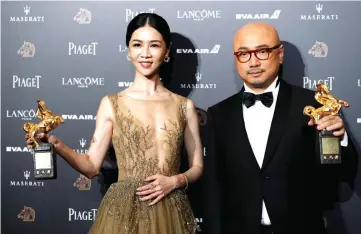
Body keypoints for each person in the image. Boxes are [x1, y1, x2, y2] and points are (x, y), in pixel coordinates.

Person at [26, 13, 203, 234]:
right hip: (123, 213)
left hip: (172, 212)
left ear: (166, 52)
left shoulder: (184, 106)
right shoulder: (112, 104)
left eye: (154, 45)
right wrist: (54, 142)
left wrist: (175, 181)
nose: (145, 54)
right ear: (129, 51)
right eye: (137, 45)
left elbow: (197, 168)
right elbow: (91, 167)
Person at [204, 22, 357, 234]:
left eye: (263, 51)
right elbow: (213, 187)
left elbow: (346, 171)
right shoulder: (219, 114)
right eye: (244, 54)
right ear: (235, 58)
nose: (253, 62)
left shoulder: (314, 106)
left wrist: (341, 140)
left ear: (280, 54)